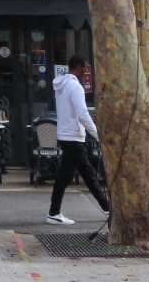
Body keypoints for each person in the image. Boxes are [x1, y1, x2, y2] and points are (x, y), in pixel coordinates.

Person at [47, 55, 110, 225]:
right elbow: (82, 115)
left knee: (89, 175)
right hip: (74, 137)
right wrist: (98, 136)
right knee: (64, 178)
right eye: (86, 68)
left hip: (67, 135)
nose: (87, 71)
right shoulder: (75, 86)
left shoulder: (62, 86)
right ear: (79, 67)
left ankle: (107, 208)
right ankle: (53, 213)